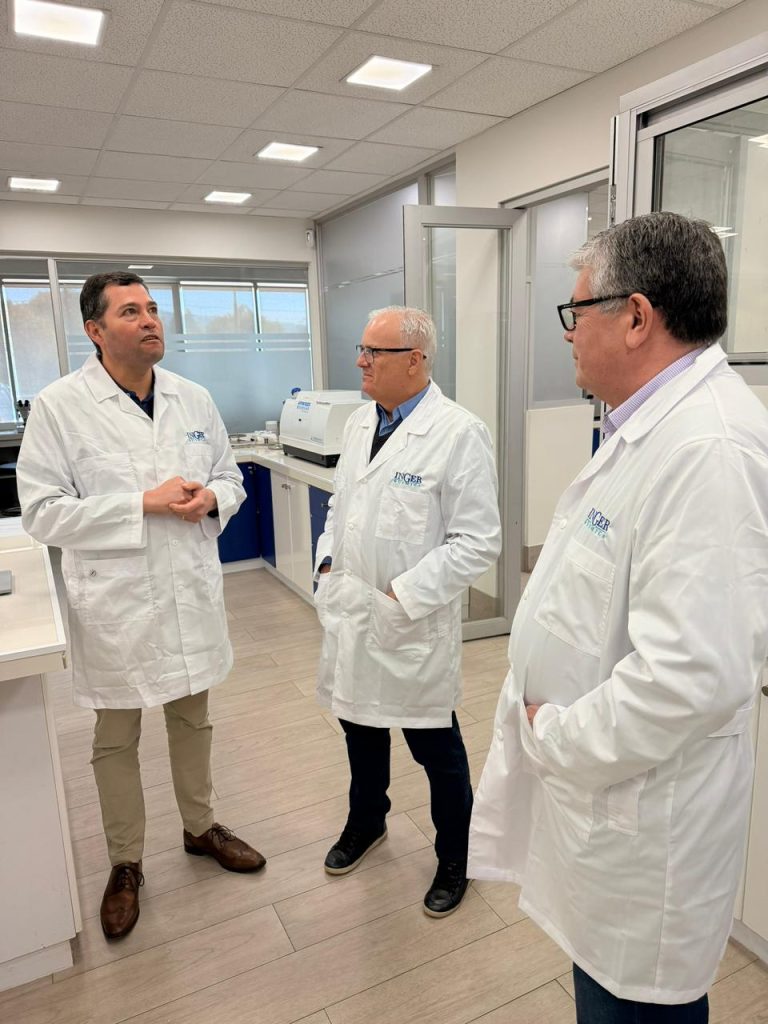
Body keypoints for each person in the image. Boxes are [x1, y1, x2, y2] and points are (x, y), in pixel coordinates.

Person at [468, 212, 768, 1022]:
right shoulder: (649, 428)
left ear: (636, 317)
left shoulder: (707, 449)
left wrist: (558, 737)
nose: (568, 334)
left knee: (632, 1007)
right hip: (607, 810)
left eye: (576, 311)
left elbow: (694, 674)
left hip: (644, 828)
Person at [17, 272, 266, 941]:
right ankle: (125, 862)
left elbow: (230, 477)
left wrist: (212, 499)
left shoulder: (192, 398)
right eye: (131, 311)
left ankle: (200, 828)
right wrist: (141, 504)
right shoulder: (60, 407)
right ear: (95, 331)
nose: (151, 319)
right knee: (116, 738)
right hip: (115, 606)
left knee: (193, 719)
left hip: (187, 593)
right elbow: (41, 512)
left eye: (153, 308)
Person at [314, 306, 501, 917]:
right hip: (352, 611)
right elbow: (340, 506)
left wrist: (403, 595)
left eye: (374, 352)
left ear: (415, 360)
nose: (360, 361)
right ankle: (367, 819)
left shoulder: (459, 432)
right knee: (359, 729)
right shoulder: (357, 423)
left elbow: (478, 541)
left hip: (409, 623)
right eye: (362, 349)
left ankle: (457, 855)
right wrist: (325, 562)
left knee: (435, 750)